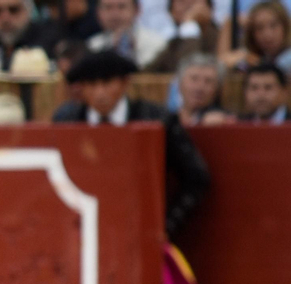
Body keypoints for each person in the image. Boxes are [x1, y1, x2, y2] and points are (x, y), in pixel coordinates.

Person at [52, 49, 208, 240]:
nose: (100, 93)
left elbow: (196, 176)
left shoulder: (157, 119)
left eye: (107, 83)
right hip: (81, 233)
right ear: (81, 88)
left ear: (125, 83)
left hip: (138, 230)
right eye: (92, 84)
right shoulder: (67, 122)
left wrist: (166, 225)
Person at [86, 0, 165, 67]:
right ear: (98, 12)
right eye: (108, 7)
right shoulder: (92, 47)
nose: (115, 14)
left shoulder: (158, 45)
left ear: (137, 10)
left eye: (121, 7)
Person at [146, 0, 218, 72]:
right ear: (171, 12)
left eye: (194, 1)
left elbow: (191, 70)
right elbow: (146, 74)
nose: (188, 5)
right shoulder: (174, 43)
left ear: (210, 8)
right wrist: (189, 26)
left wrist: (190, 25)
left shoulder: (220, 38)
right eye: (181, 1)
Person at [230, 0, 291, 72]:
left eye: (273, 25)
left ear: (285, 26)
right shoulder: (252, 59)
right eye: (259, 28)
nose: (267, 34)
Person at [175, 52, 233, 122]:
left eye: (208, 81)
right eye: (194, 79)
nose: (199, 87)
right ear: (180, 83)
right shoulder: (165, 118)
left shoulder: (226, 121)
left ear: (218, 89)